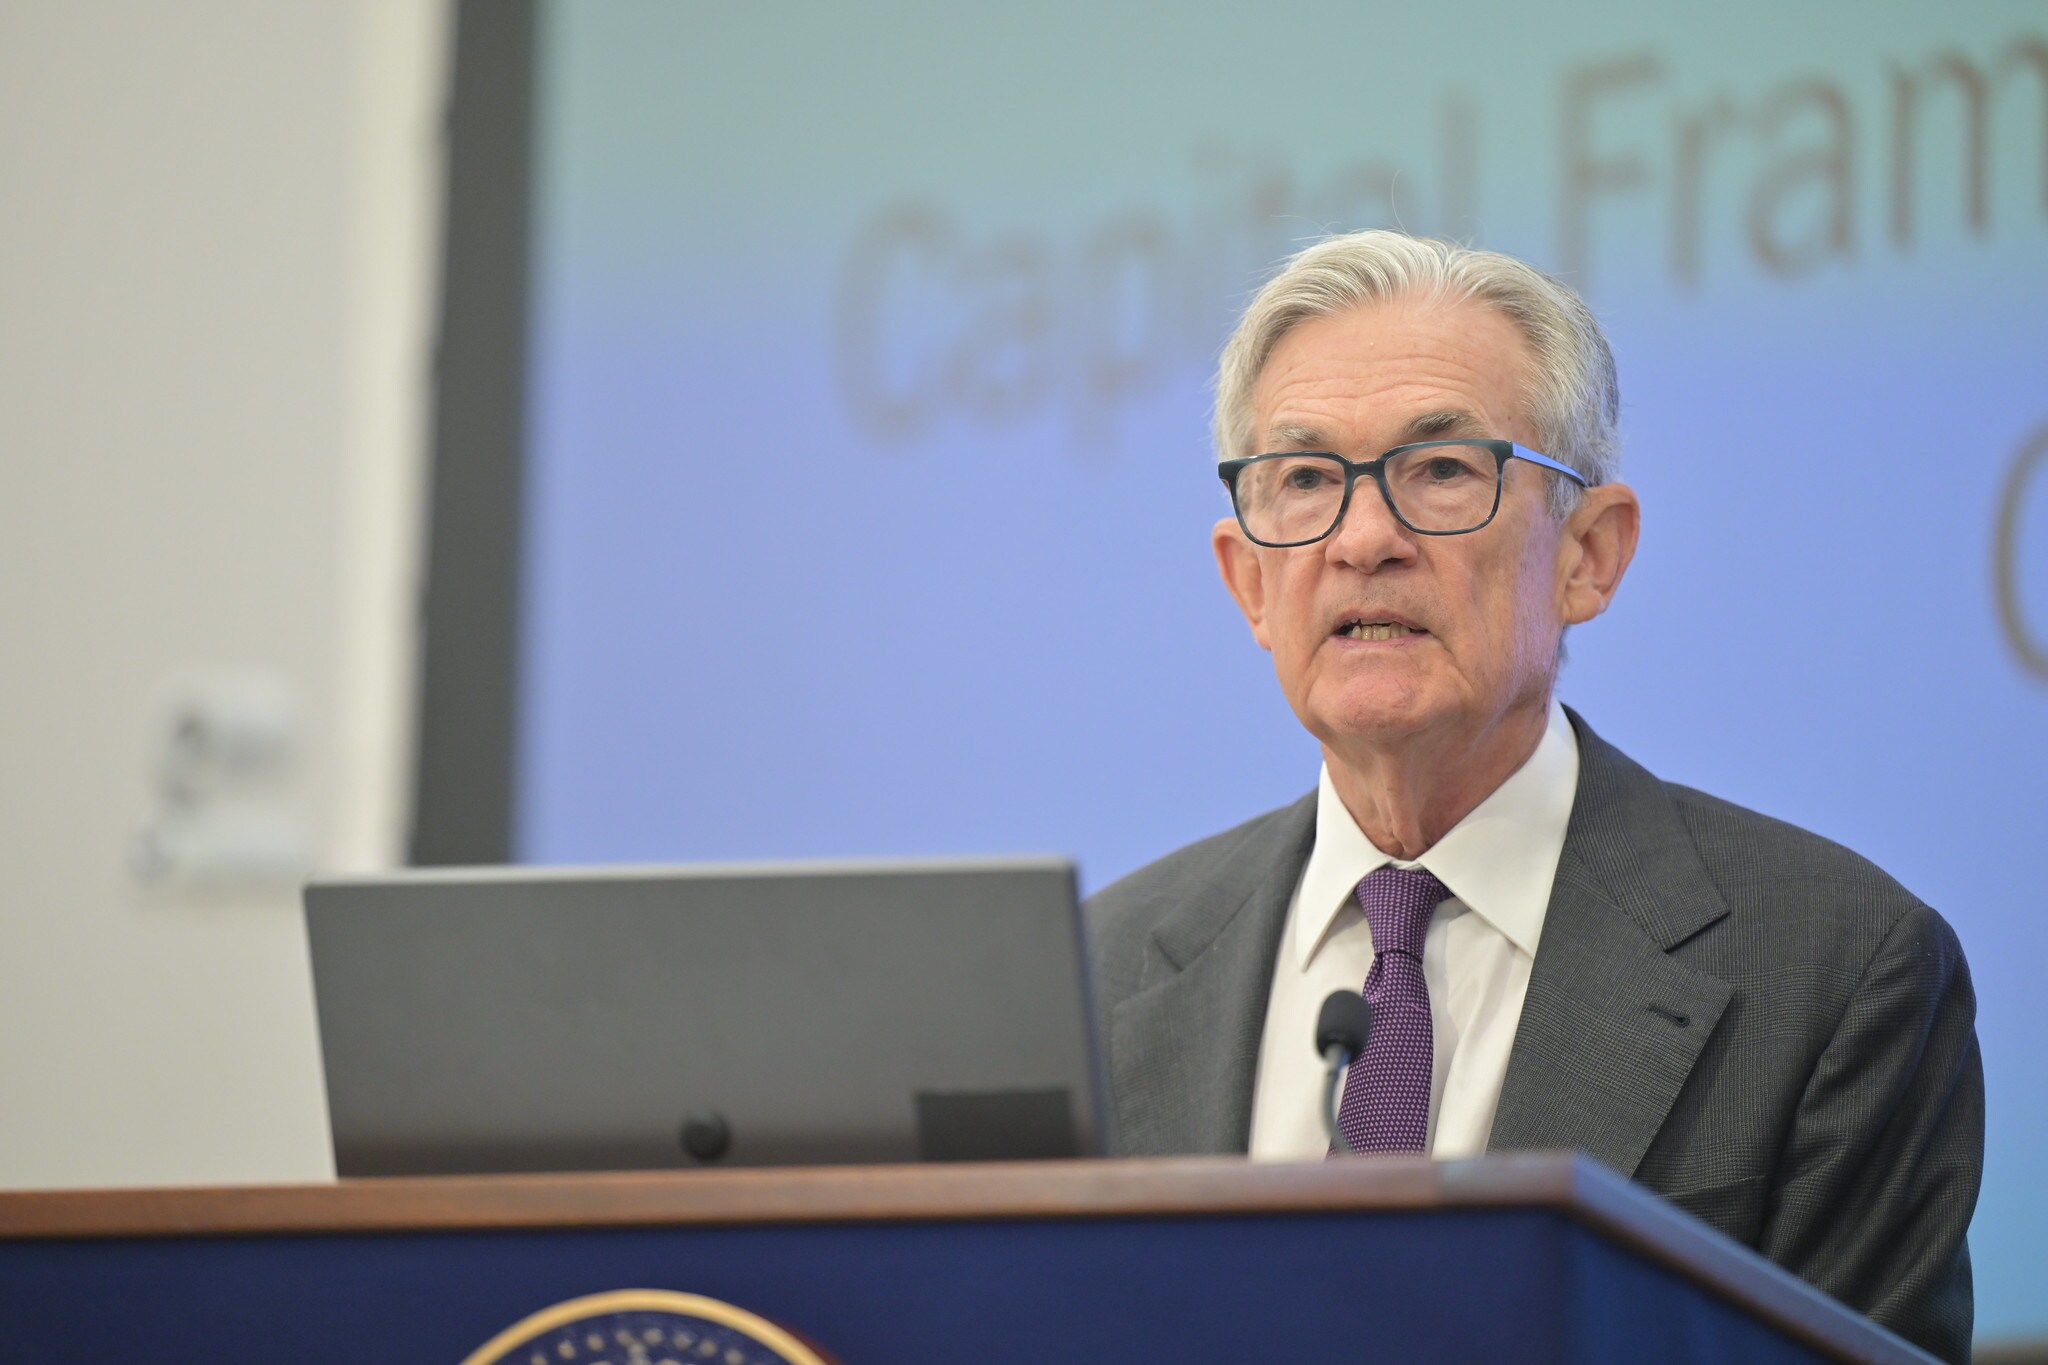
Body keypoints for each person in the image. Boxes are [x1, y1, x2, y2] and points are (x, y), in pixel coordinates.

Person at [1084, 230, 1982, 1362]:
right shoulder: (1107, 975)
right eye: (1305, 480)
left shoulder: (1833, 970)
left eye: (1442, 469)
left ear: (1589, 554)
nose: (1364, 538)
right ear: (1248, 579)